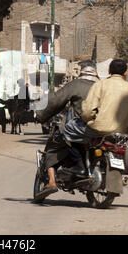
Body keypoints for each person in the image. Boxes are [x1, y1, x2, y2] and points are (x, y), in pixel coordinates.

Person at [63, 59, 128, 173]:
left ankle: (79, 164)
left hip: (99, 130)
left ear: (109, 71)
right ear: (125, 73)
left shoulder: (100, 85)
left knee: (69, 128)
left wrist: (88, 120)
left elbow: (88, 110)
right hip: (123, 132)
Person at [34, 65, 100, 199]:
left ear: (81, 75)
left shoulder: (77, 84)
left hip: (79, 128)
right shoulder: (102, 87)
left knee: (53, 148)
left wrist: (40, 114)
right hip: (101, 129)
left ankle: (52, 182)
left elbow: (57, 100)